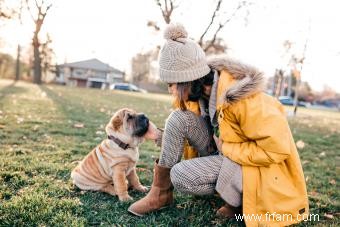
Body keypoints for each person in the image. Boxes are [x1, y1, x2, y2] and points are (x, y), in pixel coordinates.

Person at [128, 23, 309, 226]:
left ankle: (241, 202)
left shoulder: (244, 99)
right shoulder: (200, 94)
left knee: (181, 175)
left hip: (259, 171)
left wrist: (227, 148)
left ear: (185, 80)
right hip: (225, 155)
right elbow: (193, 132)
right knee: (177, 118)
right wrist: (160, 136)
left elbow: (277, 151)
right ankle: (160, 194)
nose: (169, 89)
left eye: (171, 84)